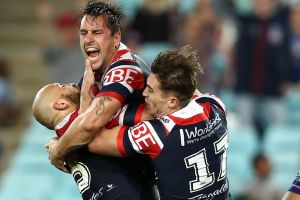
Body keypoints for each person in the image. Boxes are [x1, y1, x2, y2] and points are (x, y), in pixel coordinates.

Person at [79, 46, 231, 199]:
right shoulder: (215, 105)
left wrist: (86, 91)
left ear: (172, 101)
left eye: (150, 90)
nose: (144, 93)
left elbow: (91, 140)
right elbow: (189, 89)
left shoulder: (156, 134)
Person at [46, 0, 150, 176]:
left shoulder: (125, 68)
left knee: (92, 142)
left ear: (116, 38)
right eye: (83, 32)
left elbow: (89, 124)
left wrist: (58, 150)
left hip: (163, 161)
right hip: (138, 167)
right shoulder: (93, 73)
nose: (88, 39)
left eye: (97, 32)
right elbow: (76, 123)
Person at [32, 82, 156, 199]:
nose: (72, 84)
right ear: (61, 104)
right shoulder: (83, 125)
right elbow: (147, 115)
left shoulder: (64, 137)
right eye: (63, 86)